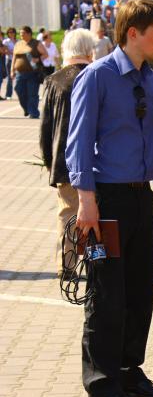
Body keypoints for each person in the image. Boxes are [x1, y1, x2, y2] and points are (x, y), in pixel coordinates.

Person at [65, 0, 153, 397]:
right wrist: (86, 203)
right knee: (105, 291)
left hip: (139, 197)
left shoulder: (148, 76)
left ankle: (130, 371)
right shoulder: (97, 76)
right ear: (133, 33)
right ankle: (102, 384)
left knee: (138, 288)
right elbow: (78, 143)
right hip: (105, 200)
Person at [40, 29, 95, 278]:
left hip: (63, 162)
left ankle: (67, 265)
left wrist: (49, 162)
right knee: (98, 216)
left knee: (67, 215)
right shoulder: (98, 76)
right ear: (90, 50)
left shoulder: (54, 80)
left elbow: (46, 128)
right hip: (97, 162)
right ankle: (97, 262)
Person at [11, 26, 48, 119]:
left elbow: (45, 54)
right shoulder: (18, 44)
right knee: (19, 90)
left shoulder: (36, 43)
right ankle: (27, 109)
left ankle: (34, 113)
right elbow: (14, 58)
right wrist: (12, 70)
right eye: (20, 33)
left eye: (23, 33)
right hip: (20, 73)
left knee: (32, 93)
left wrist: (38, 59)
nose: (21, 35)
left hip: (33, 73)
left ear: (29, 33)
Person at [3, 27, 17, 99]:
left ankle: (21, 93)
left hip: (17, 61)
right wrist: (15, 52)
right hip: (9, 61)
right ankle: (8, 94)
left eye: (12, 32)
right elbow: (6, 51)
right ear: (7, 33)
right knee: (10, 78)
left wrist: (14, 52)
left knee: (19, 77)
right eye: (9, 32)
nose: (11, 33)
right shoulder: (6, 41)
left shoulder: (18, 41)